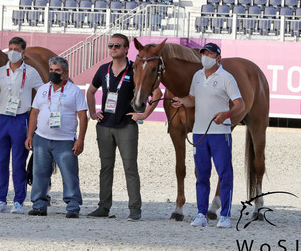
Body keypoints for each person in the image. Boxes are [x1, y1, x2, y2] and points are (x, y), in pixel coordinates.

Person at [86, 34, 162, 221]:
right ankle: (103, 207)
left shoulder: (134, 69)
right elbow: (91, 91)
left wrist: (144, 115)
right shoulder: (104, 69)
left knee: (130, 168)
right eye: (111, 45)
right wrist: (93, 113)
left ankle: (135, 209)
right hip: (104, 125)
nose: (113, 48)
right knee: (105, 168)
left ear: (127, 49)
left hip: (126, 125)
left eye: (117, 46)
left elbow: (157, 92)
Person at [171, 42, 244, 229]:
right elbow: (192, 99)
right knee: (202, 175)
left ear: (218, 57)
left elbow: (239, 105)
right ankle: (201, 213)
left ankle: (225, 215)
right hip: (199, 133)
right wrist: (181, 101)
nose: (206, 57)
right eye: (204, 53)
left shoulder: (227, 78)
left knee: (224, 174)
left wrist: (226, 115)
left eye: (210, 54)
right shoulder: (197, 76)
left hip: (220, 133)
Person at [0, 37, 44, 214]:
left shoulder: (32, 73)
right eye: (10, 48)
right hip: (2, 119)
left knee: (19, 162)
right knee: (1, 161)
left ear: (23, 52)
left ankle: (19, 201)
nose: (12, 52)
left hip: (21, 119)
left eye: (16, 49)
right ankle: (0, 199)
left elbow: (42, 94)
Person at [25, 56, 87, 218]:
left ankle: (73, 206)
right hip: (41, 138)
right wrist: (30, 135)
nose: (53, 73)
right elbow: (34, 113)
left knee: (69, 173)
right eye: (51, 70)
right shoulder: (43, 89)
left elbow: (82, 116)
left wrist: (80, 139)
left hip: (65, 140)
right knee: (39, 173)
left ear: (65, 73)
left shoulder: (74, 91)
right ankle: (39, 204)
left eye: (57, 71)